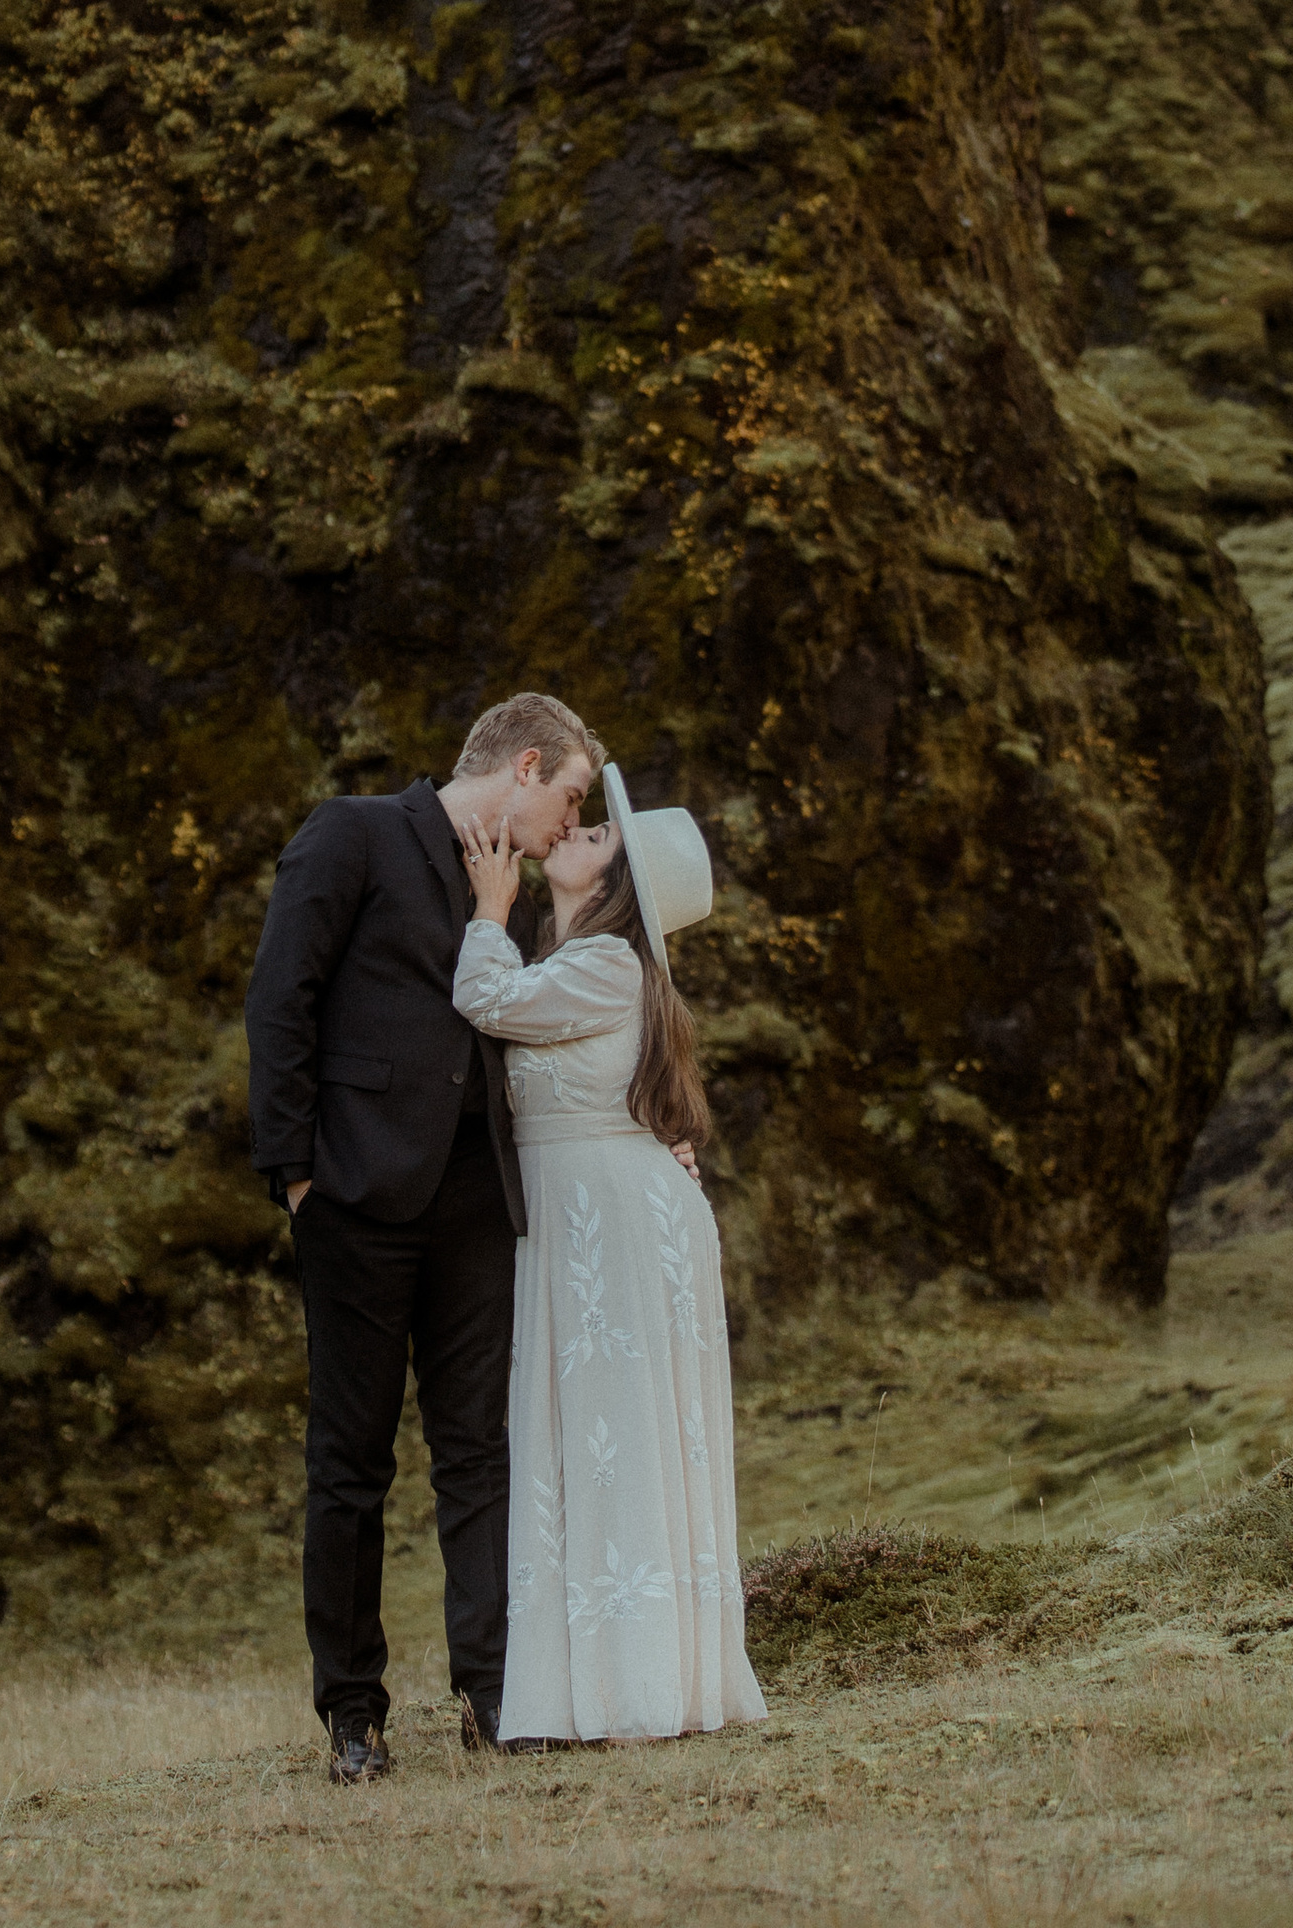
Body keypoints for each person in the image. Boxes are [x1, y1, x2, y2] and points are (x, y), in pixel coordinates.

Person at [244, 692, 602, 1783]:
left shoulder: (518, 896)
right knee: (350, 1464)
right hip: (351, 1198)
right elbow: (280, 998)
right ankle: (352, 1716)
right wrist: (295, 1175)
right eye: (572, 797)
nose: (567, 826)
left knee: (480, 1455)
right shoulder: (353, 833)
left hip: (476, 1205)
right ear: (526, 767)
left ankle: (494, 1696)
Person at [452, 758, 765, 1745]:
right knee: (585, 1439)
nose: (574, 836)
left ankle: (634, 1682)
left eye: (596, 837)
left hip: (607, 1225)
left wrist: (487, 910)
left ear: (619, 884)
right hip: (589, 1215)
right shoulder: (584, 964)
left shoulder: (605, 965)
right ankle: (593, 1682)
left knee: (611, 1438)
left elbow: (485, 1003)